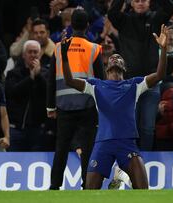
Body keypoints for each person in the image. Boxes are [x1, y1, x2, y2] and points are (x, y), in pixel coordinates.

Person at [60, 24, 169, 189]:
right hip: (103, 144)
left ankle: (120, 178)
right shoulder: (95, 85)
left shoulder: (135, 84)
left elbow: (160, 75)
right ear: (106, 68)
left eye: (119, 58)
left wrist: (164, 48)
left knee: (144, 190)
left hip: (127, 143)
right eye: (112, 57)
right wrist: (64, 56)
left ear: (124, 67)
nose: (115, 58)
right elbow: (69, 81)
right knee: (90, 192)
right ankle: (117, 181)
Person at [47, 9, 104, 190]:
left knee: (61, 148)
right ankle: (87, 185)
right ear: (87, 26)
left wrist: (50, 107)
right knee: (88, 149)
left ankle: (54, 186)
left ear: (70, 25)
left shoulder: (57, 47)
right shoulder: (94, 48)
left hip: (64, 106)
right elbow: (100, 82)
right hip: (87, 106)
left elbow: (50, 81)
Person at [107, 0, 173, 151]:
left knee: (148, 128)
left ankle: (146, 160)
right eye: (136, 0)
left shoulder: (156, 20)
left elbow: (169, 8)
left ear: (150, 2)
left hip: (151, 81)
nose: (140, 3)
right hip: (129, 84)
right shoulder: (123, 20)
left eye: (144, 0)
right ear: (131, 3)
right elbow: (112, 13)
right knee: (131, 126)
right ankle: (131, 159)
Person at [5, 40, 48, 152]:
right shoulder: (13, 73)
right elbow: (12, 93)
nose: (33, 55)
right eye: (30, 52)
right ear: (23, 55)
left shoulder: (46, 74)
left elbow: (49, 93)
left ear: (40, 54)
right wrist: (30, 78)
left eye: (35, 52)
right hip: (16, 129)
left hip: (38, 130)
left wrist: (38, 76)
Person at [155, 55, 173, 151]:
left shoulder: (160, 86)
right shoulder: (172, 89)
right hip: (168, 140)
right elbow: (171, 117)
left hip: (160, 137)